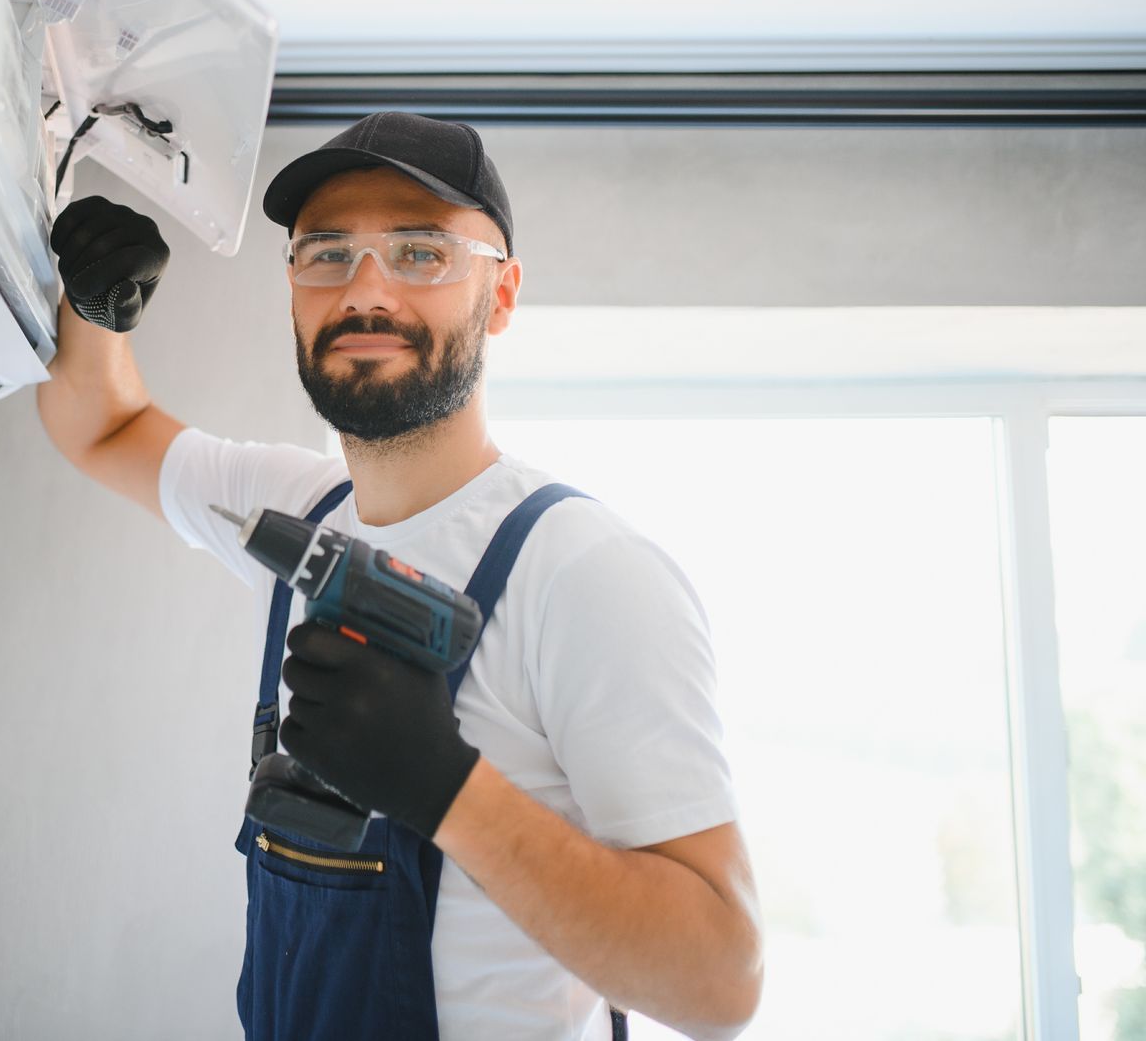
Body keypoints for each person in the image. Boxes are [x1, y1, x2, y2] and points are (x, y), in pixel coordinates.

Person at [37, 112, 764, 1041]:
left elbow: (720, 984)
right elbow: (100, 427)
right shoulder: (292, 512)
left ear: (500, 297)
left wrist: (446, 788)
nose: (364, 290)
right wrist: (97, 309)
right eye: (326, 254)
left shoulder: (582, 574)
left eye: (421, 253)